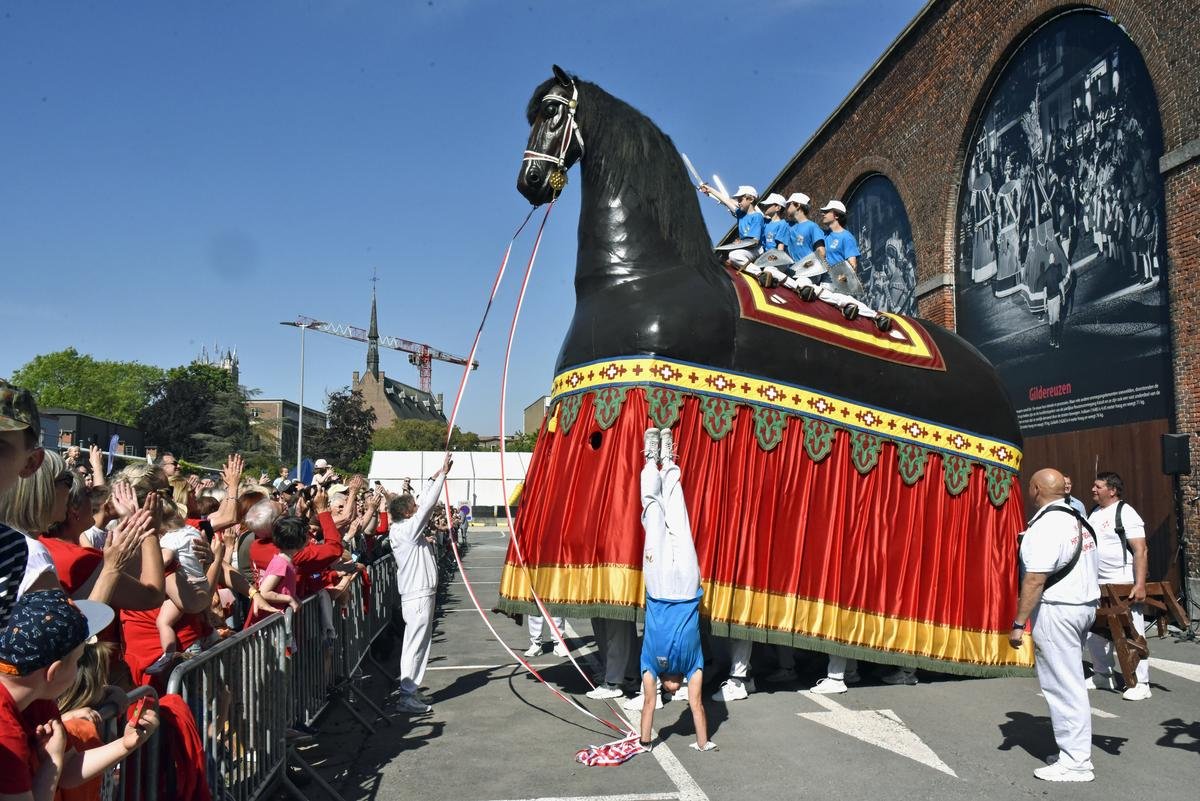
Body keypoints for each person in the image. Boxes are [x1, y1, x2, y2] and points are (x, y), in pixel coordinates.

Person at [0, 588, 160, 799]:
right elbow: (58, 768)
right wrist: (52, 763)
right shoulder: (5, 732)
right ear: (54, 672)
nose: (78, 669)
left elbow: (68, 769)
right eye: (78, 660)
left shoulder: (35, 699)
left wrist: (124, 744)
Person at [1011, 467, 1098, 782]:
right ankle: (1073, 753)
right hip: (1082, 606)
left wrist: (1019, 622)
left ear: (1036, 489)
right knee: (1070, 682)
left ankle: (1076, 762)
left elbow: (1035, 579)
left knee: (1063, 686)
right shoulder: (1079, 519)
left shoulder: (1047, 525)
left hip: (1058, 609)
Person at [635, 427, 714, 752]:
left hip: (659, 588)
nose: (675, 689)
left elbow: (649, 704)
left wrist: (645, 741)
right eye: (677, 689)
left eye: (671, 690)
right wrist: (702, 742)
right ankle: (667, 460)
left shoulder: (651, 666)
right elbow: (696, 705)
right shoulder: (692, 666)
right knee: (678, 520)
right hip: (684, 588)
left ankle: (650, 459)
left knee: (654, 514)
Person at [388, 453, 453, 714]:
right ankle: (407, 695)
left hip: (419, 593)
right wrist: (443, 477)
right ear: (406, 512)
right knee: (415, 645)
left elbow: (422, 503)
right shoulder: (406, 530)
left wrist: (433, 478)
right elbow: (426, 507)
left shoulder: (405, 528)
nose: (416, 507)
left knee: (418, 644)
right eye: (412, 506)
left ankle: (410, 690)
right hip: (417, 594)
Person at [1084, 471, 1152, 700]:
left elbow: (1141, 550)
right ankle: (1103, 674)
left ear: (1112, 490)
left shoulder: (1126, 512)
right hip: (1097, 582)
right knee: (1095, 630)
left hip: (1122, 581)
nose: (1093, 489)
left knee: (1131, 631)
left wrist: (1139, 584)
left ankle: (1142, 683)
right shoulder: (1094, 512)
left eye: (1098, 486)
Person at [699, 184, 763, 269]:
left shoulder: (757, 216)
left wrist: (739, 244)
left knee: (734, 255)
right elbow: (725, 200)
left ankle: (758, 273)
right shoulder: (740, 214)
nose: (738, 203)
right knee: (726, 257)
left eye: (740, 200)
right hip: (746, 248)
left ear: (751, 199)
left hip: (755, 249)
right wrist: (710, 190)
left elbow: (755, 241)